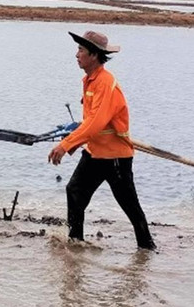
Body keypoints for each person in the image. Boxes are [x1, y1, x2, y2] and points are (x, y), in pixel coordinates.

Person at [48, 30, 155, 250]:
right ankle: (75, 242)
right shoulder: (89, 81)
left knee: (130, 207)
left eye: (81, 50)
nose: (76, 54)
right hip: (95, 153)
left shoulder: (106, 84)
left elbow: (96, 123)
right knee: (74, 190)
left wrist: (65, 145)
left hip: (115, 157)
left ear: (94, 55)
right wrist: (74, 141)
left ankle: (147, 248)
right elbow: (89, 123)